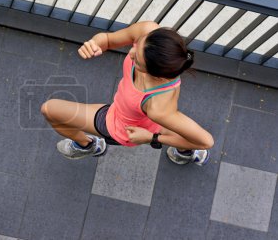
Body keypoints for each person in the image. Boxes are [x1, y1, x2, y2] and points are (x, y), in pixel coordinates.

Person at [41, 21, 214, 165]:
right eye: (137, 45)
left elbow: (206, 141)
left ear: (155, 74)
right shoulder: (148, 32)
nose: (130, 52)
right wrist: (95, 43)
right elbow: (108, 39)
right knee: (179, 130)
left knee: (50, 110)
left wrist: (152, 138)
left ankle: (88, 146)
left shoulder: (158, 108)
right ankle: (184, 153)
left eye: (136, 61)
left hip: (121, 125)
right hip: (154, 118)